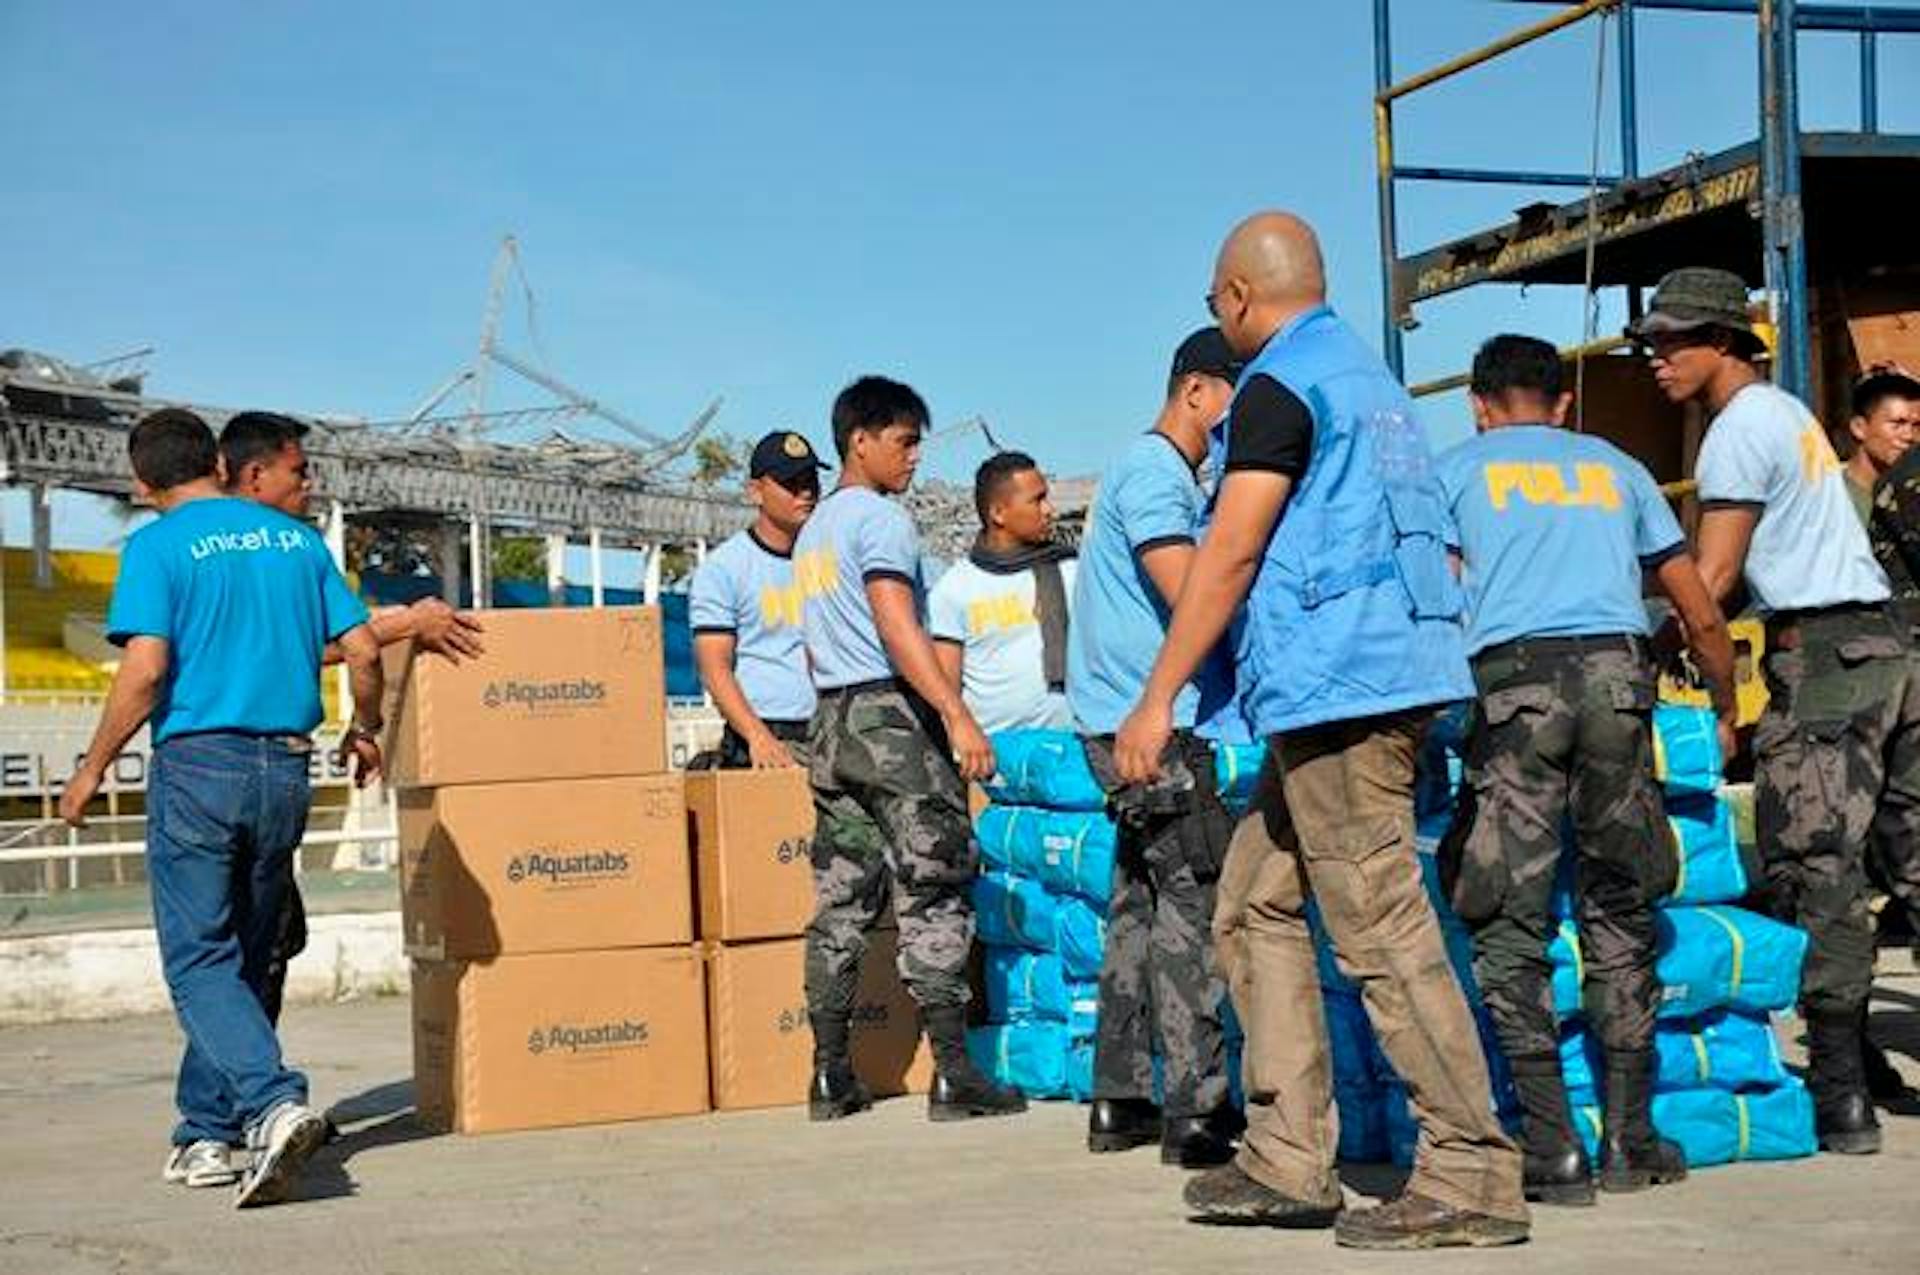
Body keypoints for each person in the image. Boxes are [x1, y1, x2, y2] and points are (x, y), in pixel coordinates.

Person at [1115, 212, 1529, 1249]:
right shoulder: (1372, 385)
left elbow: (1234, 552)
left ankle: (1472, 1172)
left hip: (1345, 694)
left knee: (1381, 931)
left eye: (1216, 303)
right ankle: (1288, 1158)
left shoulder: (1278, 388)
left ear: (1239, 298)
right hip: (1354, 689)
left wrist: (1158, 695)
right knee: (1252, 904)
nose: (1218, 318)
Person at [1435, 335, 1737, 1205]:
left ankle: (1551, 1146)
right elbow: (1694, 602)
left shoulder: (1455, 473)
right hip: (1617, 682)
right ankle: (1632, 1139)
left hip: (1513, 687)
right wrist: (1722, 703)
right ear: (1561, 403)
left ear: (1479, 405)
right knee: (1620, 902)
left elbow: (1437, 597)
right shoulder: (1617, 468)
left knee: (1506, 917)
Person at [59, 408, 384, 1208]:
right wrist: (365, 727)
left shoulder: (157, 545)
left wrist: (92, 768)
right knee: (244, 952)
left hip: (202, 764)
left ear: (141, 483)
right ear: (217, 461)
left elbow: (144, 670)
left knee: (198, 956)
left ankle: (271, 1100)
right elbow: (367, 648)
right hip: (287, 768)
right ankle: (206, 1133)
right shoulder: (298, 541)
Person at [1631, 266, 1920, 1155]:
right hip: (1889, 651)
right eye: (1651, 341)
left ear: (1722, 342)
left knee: (1814, 868)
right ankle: (1860, 1067)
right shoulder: (1787, 411)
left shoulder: (1734, 434)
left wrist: (1646, 639)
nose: (1656, 358)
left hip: (1828, 661)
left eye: (1673, 341)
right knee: (1910, 858)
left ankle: (1840, 1093)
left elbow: (1712, 582)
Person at [793, 375, 1026, 1123]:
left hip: (830, 720)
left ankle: (829, 1074)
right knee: (935, 883)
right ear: (859, 441)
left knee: (840, 899)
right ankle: (954, 1073)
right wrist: (955, 713)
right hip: (890, 720)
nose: (916, 456)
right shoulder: (881, 522)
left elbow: (811, 646)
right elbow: (899, 626)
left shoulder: (814, 532)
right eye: (904, 440)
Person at [219, 410, 483, 1026]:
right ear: (255, 475)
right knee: (257, 937)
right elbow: (347, 644)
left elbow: (323, 643)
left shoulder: (186, 544)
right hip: (260, 760)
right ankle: (250, 1097)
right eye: (299, 471)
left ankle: (234, 1101)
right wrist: (407, 626)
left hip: (208, 764)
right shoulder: (286, 548)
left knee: (236, 941)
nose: (309, 485)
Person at [1067, 329, 1242, 1169]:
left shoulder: (1144, 471)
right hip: (1154, 724)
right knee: (1192, 902)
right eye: (1236, 393)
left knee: (1137, 904)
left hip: (1120, 718)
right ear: (1198, 391)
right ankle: (1197, 1108)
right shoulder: (1156, 472)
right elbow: (1189, 589)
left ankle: (1121, 1095)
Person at [689, 429, 827, 768]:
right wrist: (757, 736)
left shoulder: (829, 560)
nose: (806, 492)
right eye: (791, 483)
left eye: (811, 480)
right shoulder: (725, 568)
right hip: (766, 734)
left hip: (829, 728)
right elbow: (714, 667)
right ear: (756, 491)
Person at [928, 451, 1076, 734]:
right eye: (1037, 500)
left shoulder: (1071, 572)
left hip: (1071, 752)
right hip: (994, 761)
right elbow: (946, 688)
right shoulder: (955, 589)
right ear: (998, 513)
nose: (1049, 510)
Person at [1843, 371, 1919, 527]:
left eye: (1917, 426)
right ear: (1859, 428)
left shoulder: (1912, 493)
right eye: (1897, 424)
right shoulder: (1828, 494)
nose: (1909, 436)